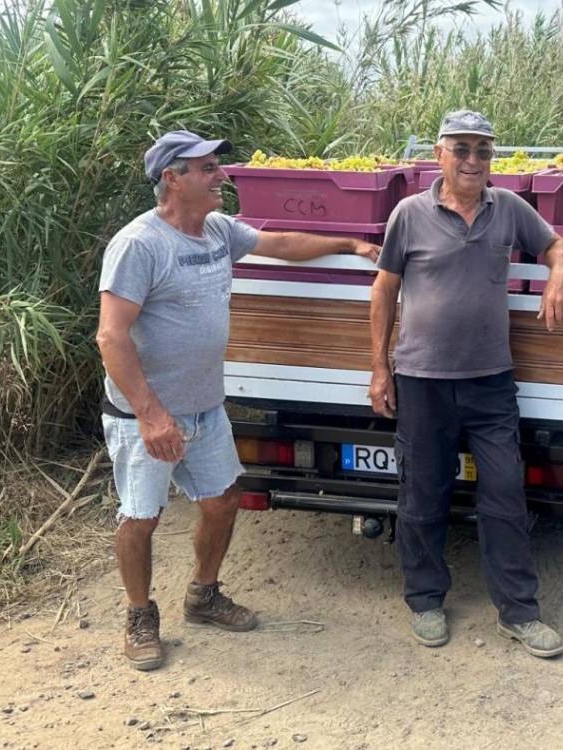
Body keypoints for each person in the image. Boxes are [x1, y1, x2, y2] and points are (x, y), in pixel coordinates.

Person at [97, 130, 380, 671]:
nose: (222, 175)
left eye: (217, 167)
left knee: (224, 498)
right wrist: (152, 416)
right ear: (172, 179)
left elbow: (280, 245)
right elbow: (111, 337)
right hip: (146, 416)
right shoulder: (139, 245)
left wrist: (348, 245)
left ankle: (203, 596)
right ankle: (139, 615)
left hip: (206, 407)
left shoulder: (219, 231)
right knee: (140, 516)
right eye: (207, 169)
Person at [368, 110, 563, 658]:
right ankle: (425, 601)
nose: (473, 161)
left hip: (490, 383)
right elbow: (384, 292)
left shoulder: (508, 209)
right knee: (422, 495)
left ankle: (520, 613)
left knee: (505, 492)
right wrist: (379, 367)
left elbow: (557, 245)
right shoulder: (409, 215)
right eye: (461, 149)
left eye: (483, 151)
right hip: (422, 380)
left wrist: (559, 274)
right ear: (439, 154)